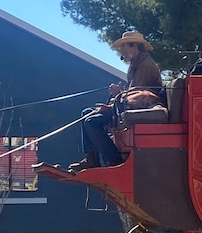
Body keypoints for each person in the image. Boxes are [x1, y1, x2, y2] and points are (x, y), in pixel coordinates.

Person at [70, 30, 163, 172]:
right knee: (87, 113)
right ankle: (92, 159)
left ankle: (114, 160)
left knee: (92, 122)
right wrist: (113, 102)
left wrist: (115, 99)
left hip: (142, 107)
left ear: (134, 46)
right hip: (130, 105)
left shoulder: (145, 65)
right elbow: (132, 95)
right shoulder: (137, 63)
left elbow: (138, 96)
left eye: (123, 46)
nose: (121, 51)